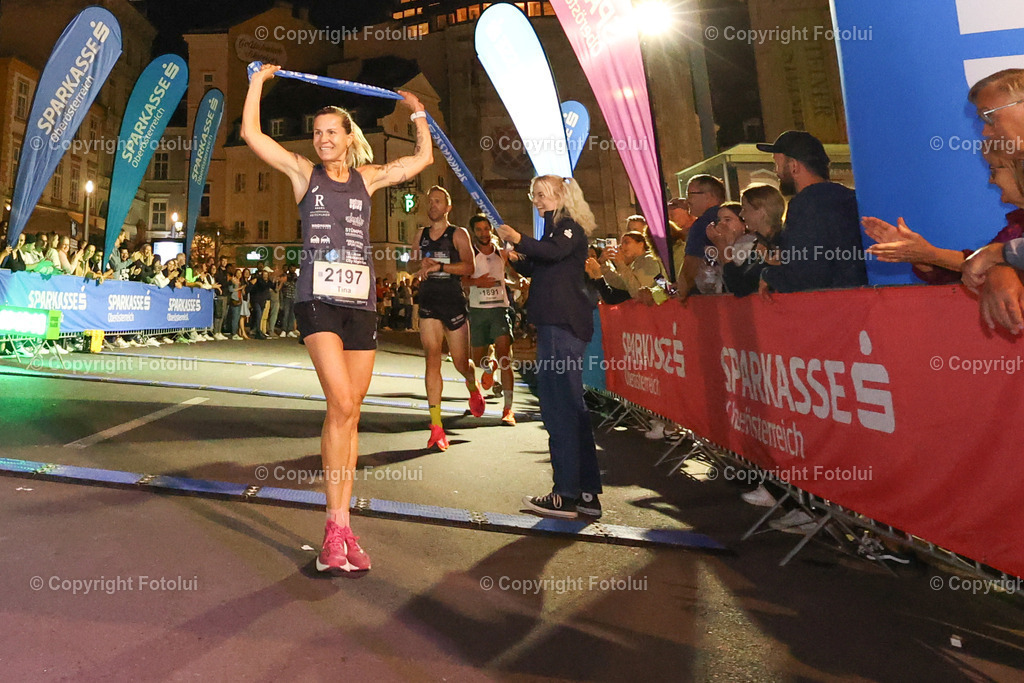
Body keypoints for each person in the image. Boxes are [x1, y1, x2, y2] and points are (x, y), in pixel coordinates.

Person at [243, 62, 432, 573]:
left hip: (361, 305)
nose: (323, 139)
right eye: (318, 133)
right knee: (342, 403)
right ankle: (332, 525)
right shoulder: (305, 173)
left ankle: (342, 526)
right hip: (318, 302)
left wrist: (418, 117)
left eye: (332, 132)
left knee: (350, 415)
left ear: (349, 138)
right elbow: (251, 134)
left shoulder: (368, 180)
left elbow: (419, 162)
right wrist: (259, 83)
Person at [496, 175, 602, 520]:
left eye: (542, 194)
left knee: (559, 408)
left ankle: (566, 494)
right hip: (558, 325)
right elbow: (544, 263)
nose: (537, 200)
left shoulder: (568, 228)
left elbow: (553, 252)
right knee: (571, 408)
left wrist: (518, 239)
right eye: (535, 195)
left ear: (561, 195)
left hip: (561, 326)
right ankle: (585, 492)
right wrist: (515, 255)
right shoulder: (556, 232)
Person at [864, 150, 1024, 283]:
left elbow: (983, 265)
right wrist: (919, 256)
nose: (991, 180)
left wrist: (929, 254)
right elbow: (972, 270)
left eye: (994, 170)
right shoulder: (1016, 226)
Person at [412, 185, 486, 451]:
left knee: (459, 363)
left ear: (447, 207)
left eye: (438, 201)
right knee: (432, 358)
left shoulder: (458, 234)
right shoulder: (420, 235)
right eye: (430, 201)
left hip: (453, 302)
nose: (433, 205)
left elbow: (470, 266)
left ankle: (472, 384)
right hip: (429, 301)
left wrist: (441, 266)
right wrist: (418, 266)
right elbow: (410, 264)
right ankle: (436, 426)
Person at [756, 130, 868, 295]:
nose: (776, 172)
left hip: (829, 309)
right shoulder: (849, 198)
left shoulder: (807, 205)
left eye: (777, 164)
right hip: (859, 304)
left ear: (793, 166)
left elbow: (807, 276)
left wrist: (769, 275)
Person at [465, 214, 516, 425]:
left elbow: (509, 274)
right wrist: (477, 282)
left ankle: (508, 409)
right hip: (477, 312)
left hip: (499, 310)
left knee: (506, 358)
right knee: (476, 360)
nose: (484, 233)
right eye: (479, 230)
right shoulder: (469, 254)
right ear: (473, 232)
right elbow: (462, 281)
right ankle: (488, 366)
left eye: (487, 228)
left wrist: (518, 281)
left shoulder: (501, 253)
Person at [708, 185, 787, 297]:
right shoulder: (761, 242)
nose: (742, 214)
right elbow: (739, 281)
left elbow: (741, 288)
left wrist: (723, 250)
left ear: (761, 211)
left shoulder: (779, 243)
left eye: (745, 209)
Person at [679, 174, 726, 297]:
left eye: (690, 195)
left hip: (708, 298)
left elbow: (690, 269)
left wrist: (680, 291)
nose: (686, 201)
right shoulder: (734, 217)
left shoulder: (702, 225)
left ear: (709, 196)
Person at [598, 230, 666, 303]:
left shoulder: (649, 259)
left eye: (626, 242)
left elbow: (638, 291)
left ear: (641, 244)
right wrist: (604, 264)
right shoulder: (636, 263)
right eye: (621, 244)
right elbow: (621, 284)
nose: (622, 247)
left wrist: (621, 264)